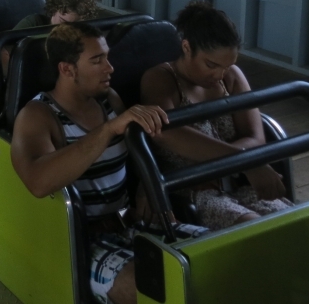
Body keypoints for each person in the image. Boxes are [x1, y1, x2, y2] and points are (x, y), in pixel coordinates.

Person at [11, 22, 203, 304]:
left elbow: (138, 153)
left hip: (130, 223)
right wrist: (108, 130)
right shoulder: (38, 115)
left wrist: (145, 188)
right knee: (158, 289)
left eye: (107, 57)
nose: (109, 67)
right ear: (67, 69)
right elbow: (38, 182)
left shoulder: (108, 100)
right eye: (97, 60)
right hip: (81, 242)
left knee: (214, 254)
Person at [139, 1, 290, 230]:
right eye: (211, 64)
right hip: (192, 190)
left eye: (227, 66)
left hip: (239, 182)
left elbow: (255, 136)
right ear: (187, 48)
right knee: (254, 229)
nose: (219, 75)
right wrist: (247, 164)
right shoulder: (160, 79)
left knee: (290, 221)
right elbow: (168, 133)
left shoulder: (232, 77)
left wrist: (225, 166)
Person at [15, 0, 99, 30]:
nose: (68, 30)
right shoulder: (33, 23)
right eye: (63, 21)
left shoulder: (82, 32)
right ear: (54, 9)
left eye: (75, 25)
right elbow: (5, 50)